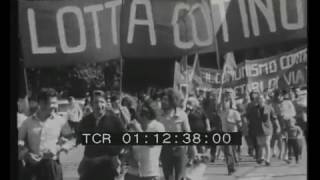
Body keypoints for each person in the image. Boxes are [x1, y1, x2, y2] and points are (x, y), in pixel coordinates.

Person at [18, 88, 74, 180]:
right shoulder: (27, 122)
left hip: (52, 166)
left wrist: (59, 148)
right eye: (52, 103)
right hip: (32, 167)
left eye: (55, 103)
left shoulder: (60, 121)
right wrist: (27, 154)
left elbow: (71, 139)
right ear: (41, 103)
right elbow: (19, 141)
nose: (55, 106)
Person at [77, 90, 126, 180]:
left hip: (107, 166)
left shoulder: (114, 120)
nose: (99, 105)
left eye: (102, 102)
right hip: (89, 165)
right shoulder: (86, 120)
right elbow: (78, 138)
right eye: (96, 102)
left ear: (106, 104)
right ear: (91, 104)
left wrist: (115, 155)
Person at [159, 88, 200, 180]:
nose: (163, 102)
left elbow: (188, 133)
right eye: (162, 99)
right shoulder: (159, 116)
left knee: (180, 176)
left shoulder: (182, 115)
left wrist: (194, 151)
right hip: (165, 149)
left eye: (166, 100)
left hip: (180, 149)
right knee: (168, 176)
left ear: (172, 101)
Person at [125, 99, 165, 180]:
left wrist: (137, 130)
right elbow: (128, 146)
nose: (139, 114)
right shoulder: (135, 126)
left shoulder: (158, 127)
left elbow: (151, 143)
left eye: (142, 112)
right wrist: (130, 156)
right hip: (132, 173)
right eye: (139, 111)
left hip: (150, 173)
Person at [249, 93, 280, 166]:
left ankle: (267, 159)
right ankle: (262, 157)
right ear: (257, 100)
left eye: (262, 98)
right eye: (259, 98)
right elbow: (251, 119)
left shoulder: (269, 108)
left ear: (264, 100)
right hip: (258, 129)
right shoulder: (253, 109)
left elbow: (274, 118)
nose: (260, 100)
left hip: (267, 128)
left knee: (266, 143)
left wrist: (278, 126)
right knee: (260, 144)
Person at [218, 90, 242, 175]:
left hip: (234, 134)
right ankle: (230, 168)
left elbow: (240, 124)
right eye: (224, 102)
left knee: (233, 151)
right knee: (228, 152)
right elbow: (219, 105)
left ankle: (234, 164)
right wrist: (222, 96)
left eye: (227, 101)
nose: (225, 104)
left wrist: (231, 123)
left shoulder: (235, 112)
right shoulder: (222, 113)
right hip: (225, 134)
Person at [272, 89, 296, 162]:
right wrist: (276, 116)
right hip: (278, 122)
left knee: (287, 139)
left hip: (288, 122)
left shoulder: (288, 102)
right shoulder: (273, 104)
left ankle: (286, 155)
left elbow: (293, 113)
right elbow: (272, 113)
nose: (279, 97)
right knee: (279, 138)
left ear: (282, 96)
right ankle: (281, 152)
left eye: (280, 96)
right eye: (277, 96)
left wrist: (286, 116)